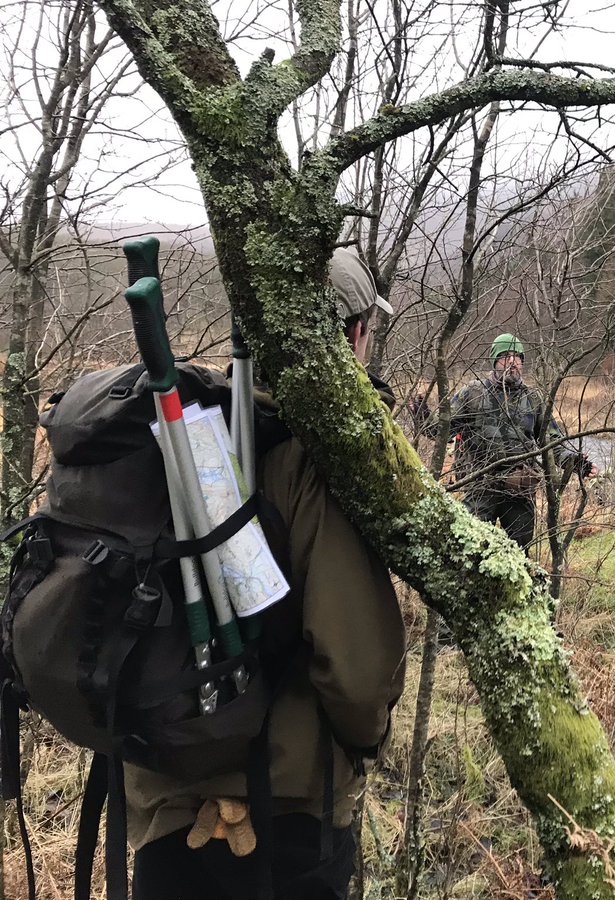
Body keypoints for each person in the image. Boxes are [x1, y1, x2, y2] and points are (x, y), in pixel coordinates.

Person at [127, 246, 408, 900]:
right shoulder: (322, 458)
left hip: (165, 806)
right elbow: (357, 671)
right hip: (287, 816)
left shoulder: (183, 431)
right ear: (355, 335)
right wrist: (367, 743)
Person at [446, 333, 593, 550]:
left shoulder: (533, 398)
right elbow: (439, 429)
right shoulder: (473, 393)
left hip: (519, 491)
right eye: (506, 356)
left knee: (520, 553)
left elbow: (552, 441)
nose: (513, 362)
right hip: (481, 486)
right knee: (469, 549)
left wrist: (575, 462)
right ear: (494, 361)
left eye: (518, 357)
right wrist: (423, 415)